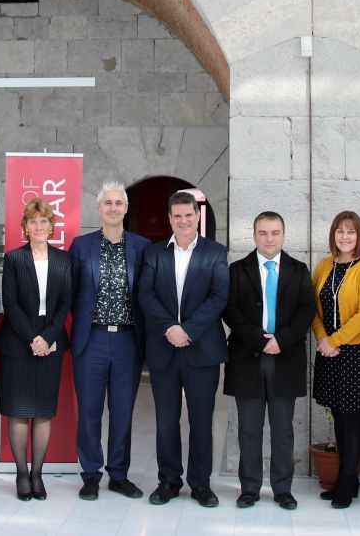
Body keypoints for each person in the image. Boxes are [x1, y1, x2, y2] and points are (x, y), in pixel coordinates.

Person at [138, 190, 229, 508]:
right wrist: (170, 329)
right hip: (164, 349)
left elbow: (218, 297)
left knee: (202, 420)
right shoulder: (154, 254)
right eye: (177, 216)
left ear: (197, 216)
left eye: (188, 215)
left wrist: (188, 330)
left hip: (202, 349)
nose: (183, 220)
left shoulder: (215, 252)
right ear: (170, 219)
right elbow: (146, 296)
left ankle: (201, 484)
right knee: (166, 420)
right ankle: (169, 481)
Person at [223, 211, 316, 510]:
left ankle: (282, 489)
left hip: (285, 358)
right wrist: (260, 340)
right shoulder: (237, 270)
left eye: (275, 233)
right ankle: (249, 488)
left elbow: (306, 310)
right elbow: (230, 310)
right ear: (254, 236)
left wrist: (282, 340)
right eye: (263, 233)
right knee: (248, 428)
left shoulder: (299, 270)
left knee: (282, 428)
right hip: (247, 358)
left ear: (283, 235)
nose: (269, 239)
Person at [69, 181, 150, 501]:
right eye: (108, 203)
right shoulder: (81, 246)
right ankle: (90, 474)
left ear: (126, 209)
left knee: (122, 412)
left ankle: (118, 474)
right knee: (89, 411)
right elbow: (71, 294)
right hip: (92, 340)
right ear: (99, 208)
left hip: (129, 341)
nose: (114, 208)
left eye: (119, 203)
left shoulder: (142, 247)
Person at [0, 198, 71, 501]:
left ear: (52, 226)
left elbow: (66, 303)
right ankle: (21, 475)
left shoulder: (64, 260)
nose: (39, 226)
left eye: (44, 221)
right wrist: (32, 338)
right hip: (18, 345)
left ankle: (38, 474)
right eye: (33, 221)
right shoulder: (14, 259)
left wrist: (48, 337)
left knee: (42, 413)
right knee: (17, 412)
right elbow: (10, 303)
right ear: (25, 227)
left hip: (50, 346)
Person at [311, 210, 360, 509]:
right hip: (329, 349)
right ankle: (346, 478)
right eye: (340, 231)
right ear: (333, 235)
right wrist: (321, 338)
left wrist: (334, 341)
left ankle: (348, 481)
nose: (345, 237)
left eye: (351, 232)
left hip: (357, 350)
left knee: (352, 416)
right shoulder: (324, 265)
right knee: (339, 416)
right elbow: (313, 307)